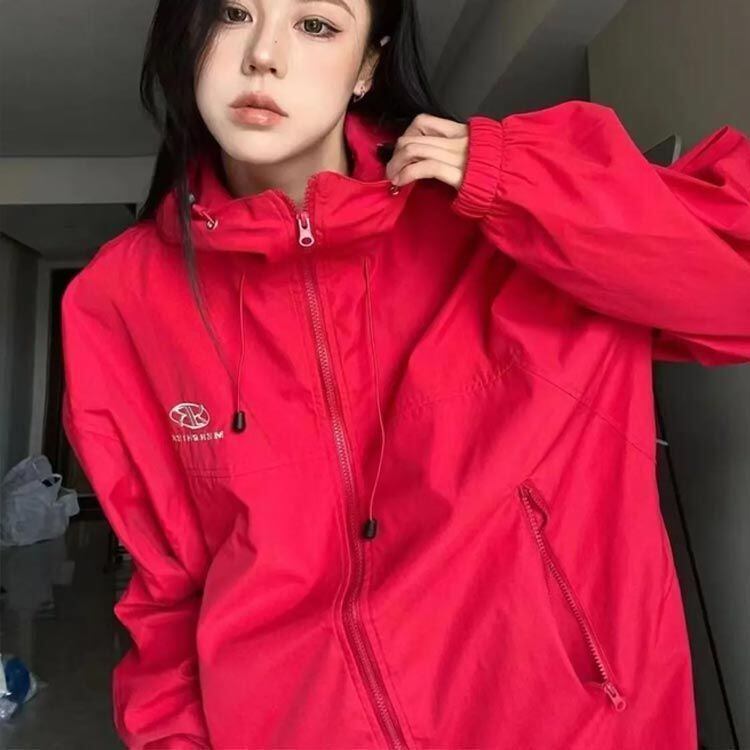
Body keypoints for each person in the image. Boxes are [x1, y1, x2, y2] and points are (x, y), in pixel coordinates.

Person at [59, 0, 750, 748]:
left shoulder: (509, 220)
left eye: (316, 24)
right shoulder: (119, 301)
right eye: (232, 12)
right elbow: (168, 591)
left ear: (367, 67)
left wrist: (518, 179)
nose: (263, 54)